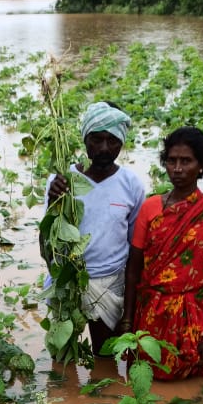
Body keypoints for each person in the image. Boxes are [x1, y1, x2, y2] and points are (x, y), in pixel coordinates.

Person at [121, 127, 203, 380]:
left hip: (190, 318)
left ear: (202, 165)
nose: (178, 168)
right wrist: (128, 324)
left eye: (186, 161)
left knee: (190, 382)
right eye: (171, 161)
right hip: (149, 315)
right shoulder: (150, 207)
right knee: (143, 376)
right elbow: (134, 269)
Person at [45, 101, 145, 355]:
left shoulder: (131, 185)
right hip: (67, 280)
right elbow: (49, 237)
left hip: (108, 282)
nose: (103, 148)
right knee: (61, 356)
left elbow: (136, 245)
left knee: (105, 359)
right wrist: (55, 198)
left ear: (121, 142)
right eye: (96, 139)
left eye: (112, 141)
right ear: (85, 138)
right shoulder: (63, 181)